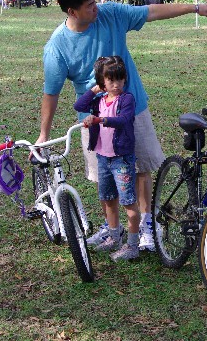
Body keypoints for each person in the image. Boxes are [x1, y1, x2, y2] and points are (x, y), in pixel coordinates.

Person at [37, 0, 207, 252]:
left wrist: (195, 8)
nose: (95, 8)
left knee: (140, 169)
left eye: (94, 1)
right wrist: (43, 136)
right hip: (96, 121)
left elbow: (151, 12)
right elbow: (51, 94)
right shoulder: (57, 47)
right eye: (89, 6)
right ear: (72, 12)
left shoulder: (110, 13)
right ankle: (113, 230)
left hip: (132, 110)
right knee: (104, 176)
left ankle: (147, 225)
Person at [73, 56, 140, 261]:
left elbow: (124, 120)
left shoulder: (126, 99)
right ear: (102, 81)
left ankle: (132, 245)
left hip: (121, 159)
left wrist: (100, 119)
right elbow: (78, 106)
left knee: (128, 202)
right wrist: (94, 90)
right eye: (110, 80)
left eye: (119, 79)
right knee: (108, 199)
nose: (116, 84)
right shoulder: (99, 100)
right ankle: (113, 237)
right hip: (103, 157)